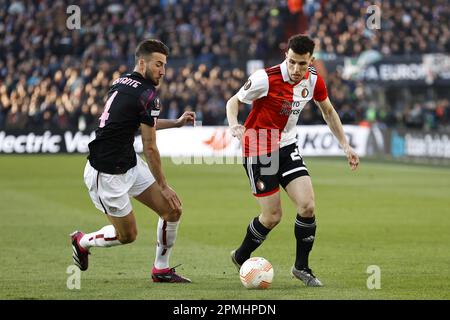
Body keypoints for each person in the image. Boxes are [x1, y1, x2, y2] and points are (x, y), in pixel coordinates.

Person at [226, 34, 359, 287]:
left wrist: (346, 145)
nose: (296, 69)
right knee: (272, 216)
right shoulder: (265, 78)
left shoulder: (314, 79)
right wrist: (234, 125)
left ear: (311, 60)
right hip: (258, 149)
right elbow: (233, 101)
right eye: (292, 62)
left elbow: (328, 111)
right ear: (286, 56)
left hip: (287, 146)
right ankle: (241, 255)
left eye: (302, 63)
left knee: (307, 206)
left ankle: (301, 267)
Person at [70, 39, 195, 283]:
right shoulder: (148, 94)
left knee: (172, 210)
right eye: (158, 64)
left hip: (127, 161)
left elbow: (138, 121)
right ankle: (82, 241)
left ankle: (161, 269)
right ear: (142, 62)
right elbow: (149, 146)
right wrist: (163, 185)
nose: (163, 71)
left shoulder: (123, 81)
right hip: (106, 173)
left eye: (164, 65)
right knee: (127, 236)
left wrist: (176, 122)